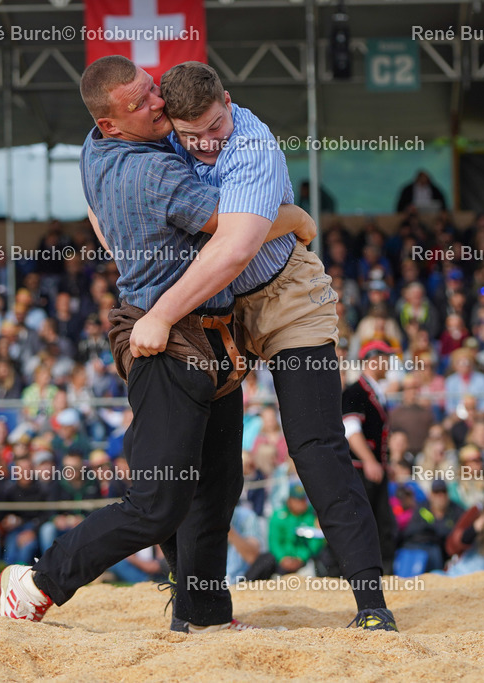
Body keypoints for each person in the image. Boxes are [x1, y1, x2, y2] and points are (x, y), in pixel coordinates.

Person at [0, 55, 312, 633]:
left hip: (204, 337)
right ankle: (38, 582)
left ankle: (206, 616)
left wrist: (128, 253)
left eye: (150, 90)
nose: (157, 103)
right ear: (113, 122)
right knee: (158, 503)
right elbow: (237, 229)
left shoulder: (94, 146)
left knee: (217, 490)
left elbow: (95, 211)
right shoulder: (154, 173)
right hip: (165, 341)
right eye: (140, 103)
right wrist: (293, 215)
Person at [129, 60, 394, 632]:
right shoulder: (152, 142)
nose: (205, 144)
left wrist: (160, 313)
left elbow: (235, 246)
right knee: (196, 464)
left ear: (229, 100)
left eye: (215, 127)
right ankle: (193, 607)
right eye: (191, 133)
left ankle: (372, 605)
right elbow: (113, 195)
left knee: (316, 447)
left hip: (282, 296)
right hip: (210, 307)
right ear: (169, 120)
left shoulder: (252, 144)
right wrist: (291, 216)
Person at [341, 340, 397, 572]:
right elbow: (351, 430)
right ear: (374, 360)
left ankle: (381, 574)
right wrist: (371, 461)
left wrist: (383, 462)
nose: (389, 363)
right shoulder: (356, 391)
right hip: (362, 471)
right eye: (385, 358)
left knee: (381, 523)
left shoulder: (372, 392)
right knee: (369, 524)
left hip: (372, 469)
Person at [267, 484, 326, 575]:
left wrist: (301, 558)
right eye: (297, 500)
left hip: (305, 560)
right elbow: (274, 541)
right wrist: (282, 558)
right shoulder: (278, 516)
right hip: (282, 560)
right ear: (289, 501)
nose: (301, 503)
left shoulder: (312, 516)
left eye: (303, 500)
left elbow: (316, 542)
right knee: (265, 560)